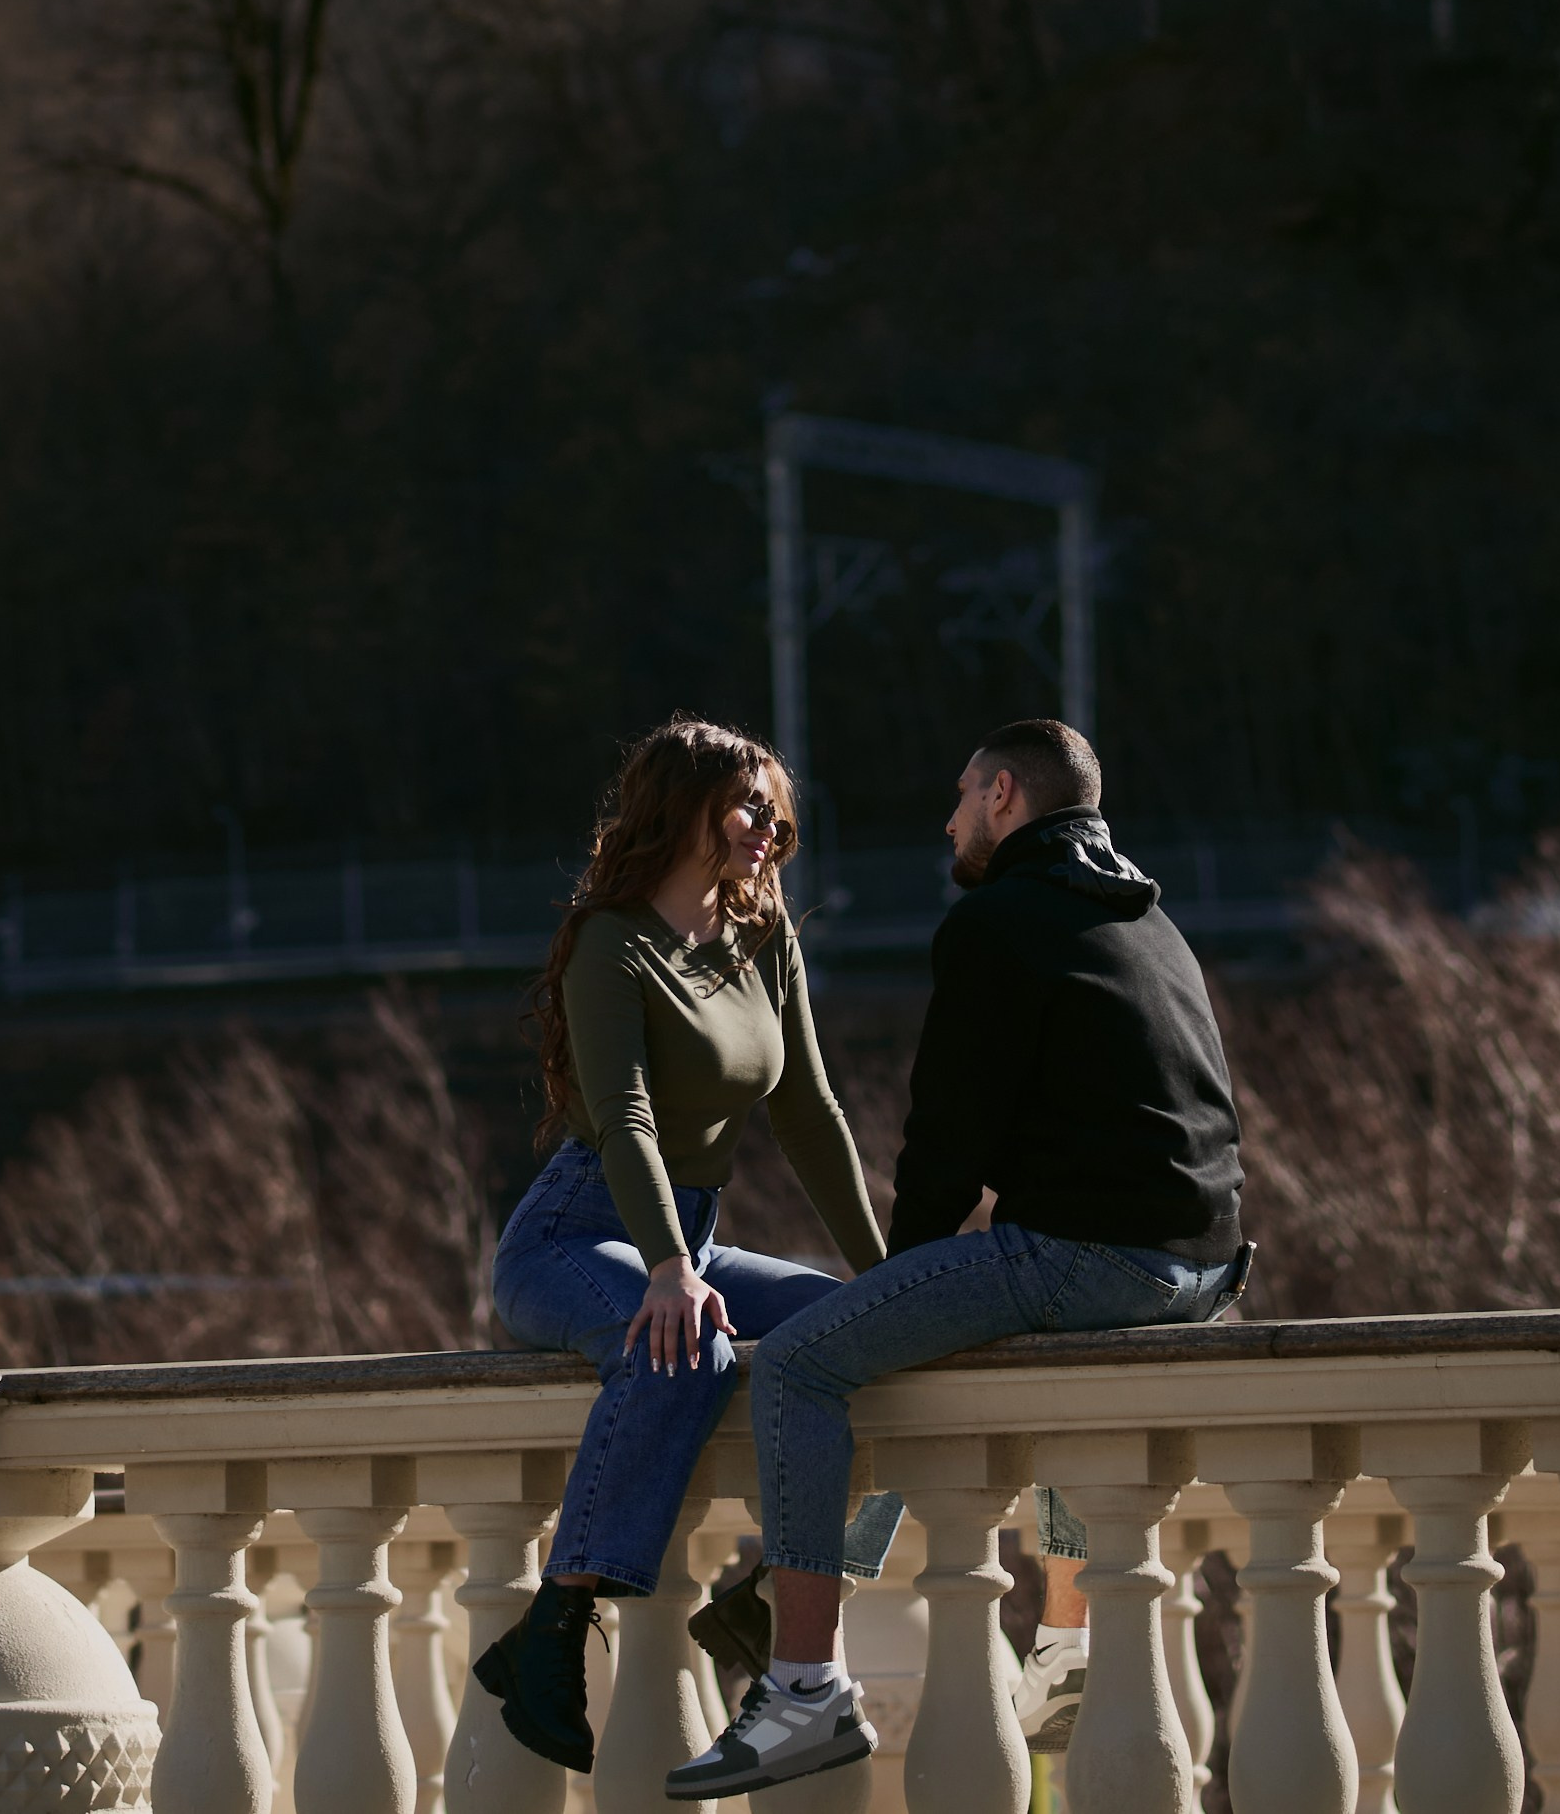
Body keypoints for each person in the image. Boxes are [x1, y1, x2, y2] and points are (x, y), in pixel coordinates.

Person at [668, 715, 1249, 1800]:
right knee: (933, 1348)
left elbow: (947, 1134)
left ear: (1000, 798)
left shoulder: (998, 919)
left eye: (957, 795)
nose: (943, 819)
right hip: (1204, 1268)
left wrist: (898, 1273)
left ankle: (801, 1685)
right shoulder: (1147, 917)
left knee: (805, 1359)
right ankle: (1063, 1655)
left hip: (1097, 1257)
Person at [475, 717, 893, 1780]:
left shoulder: (760, 935)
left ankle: (765, 1596)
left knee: (877, 1337)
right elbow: (622, 1117)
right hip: (577, 1232)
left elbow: (809, 1112)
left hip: (683, 1237)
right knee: (685, 1349)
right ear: (684, 804)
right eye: (748, 803)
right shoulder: (609, 938)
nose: (772, 825)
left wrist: (888, 1271)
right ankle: (553, 1629)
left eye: (775, 806)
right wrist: (666, 1264)